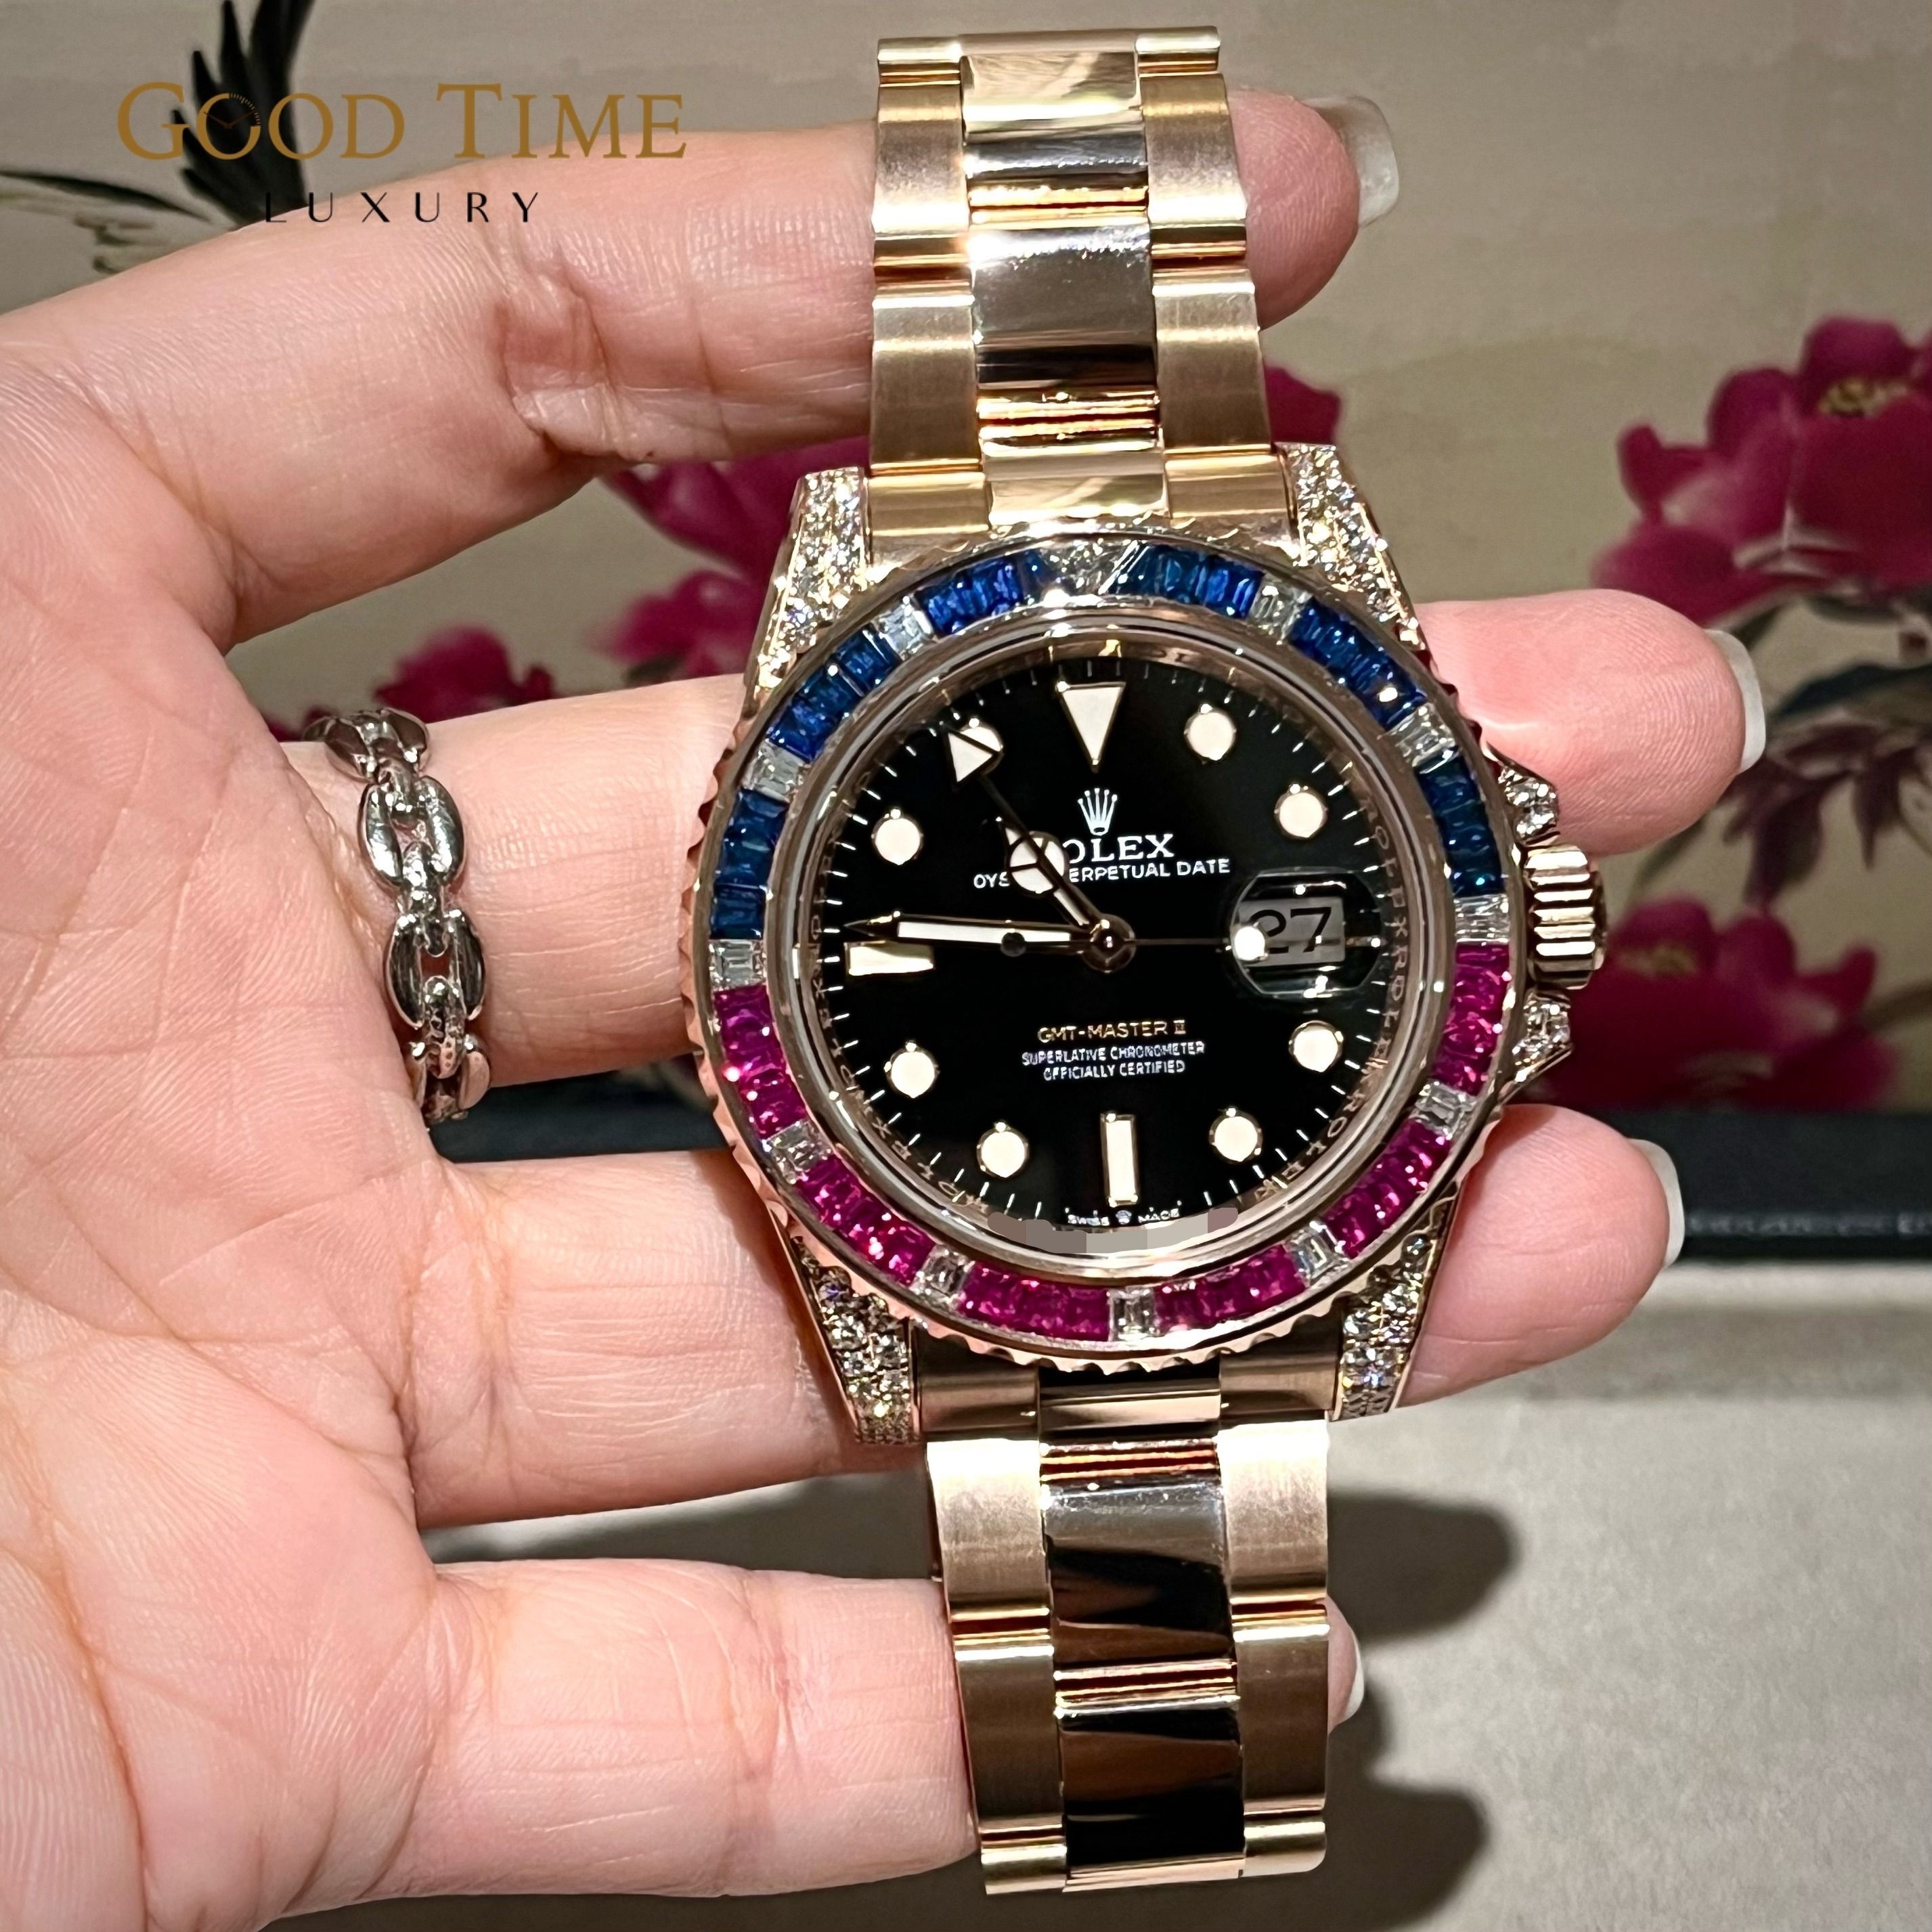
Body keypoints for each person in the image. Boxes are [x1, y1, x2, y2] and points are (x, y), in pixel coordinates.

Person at [0, 93, 1750, 1929]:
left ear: (1515, 946)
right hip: (1045, 1202)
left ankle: (1158, 1776)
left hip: (1158, 1191)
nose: (1105, 946)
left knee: (1143, 1748)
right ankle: (1153, 1777)